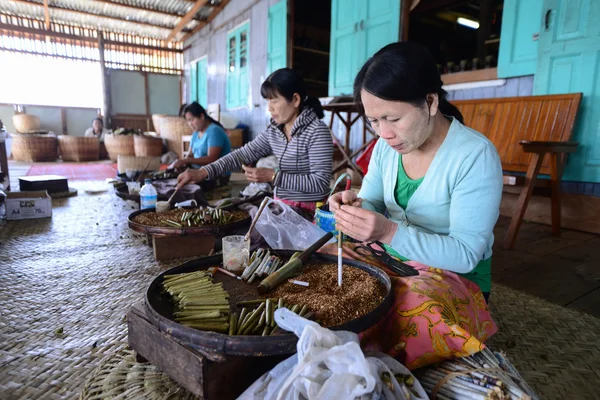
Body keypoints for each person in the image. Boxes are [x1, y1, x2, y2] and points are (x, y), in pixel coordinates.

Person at [329, 42, 503, 299]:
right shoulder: (384, 149)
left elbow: (466, 255)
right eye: (374, 121)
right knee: (324, 268)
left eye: (395, 119)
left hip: (455, 275)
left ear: (431, 102)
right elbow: (372, 203)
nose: (384, 134)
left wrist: (388, 232)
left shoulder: (474, 155)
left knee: (400, 314)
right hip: (393, 257)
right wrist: (354, 210)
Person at [177, 68, 333, 215]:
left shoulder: (317, 132)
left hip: (308, 210)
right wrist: (203, 172)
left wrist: (273, 176)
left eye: (274, 101)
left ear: (295, 99)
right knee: (226, 212)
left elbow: (319, 183)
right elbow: (242, 154)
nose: (269, 108)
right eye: (267, 101)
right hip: (282, 204)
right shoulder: (275, 130)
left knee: (247, 232)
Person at [174, 102, 232, 189]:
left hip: (216, 175)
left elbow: (211, 159)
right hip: (199, 171)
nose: (190, 124)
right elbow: (190, 155)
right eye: (188, 121)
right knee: (174, 178)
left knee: (185, 187)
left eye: (192, 120)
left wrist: (187, 161)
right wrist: (183, 163)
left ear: (201, 116)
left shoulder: (214, 131)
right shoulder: (196, 133)